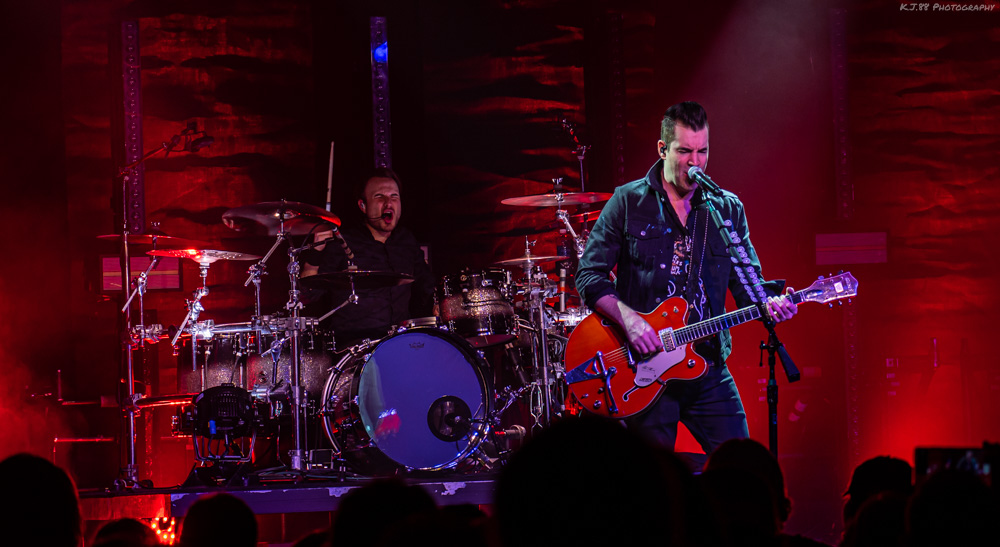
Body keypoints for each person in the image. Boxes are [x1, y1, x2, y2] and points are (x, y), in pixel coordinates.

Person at [575, 100, 797, 463]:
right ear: (663, 148)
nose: (695, 162)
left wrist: (770, 304)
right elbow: (589, 275)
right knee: (654, 486)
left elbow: (747, 285)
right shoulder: (628, 201)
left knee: (744, 468)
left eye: (703, 151)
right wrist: (630, 321)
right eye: (684, 151)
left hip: (707, 367)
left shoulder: (725, 208)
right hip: (645, 371)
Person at [303, 168, 435, 348]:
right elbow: (309, 293)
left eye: (394, 196)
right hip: (355, 347)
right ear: (363, 206)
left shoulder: (407, 241)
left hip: (401, 342)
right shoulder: (343, 243)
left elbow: (427, 287)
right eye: (379, 197)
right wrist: (315, 253)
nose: (388, 203)